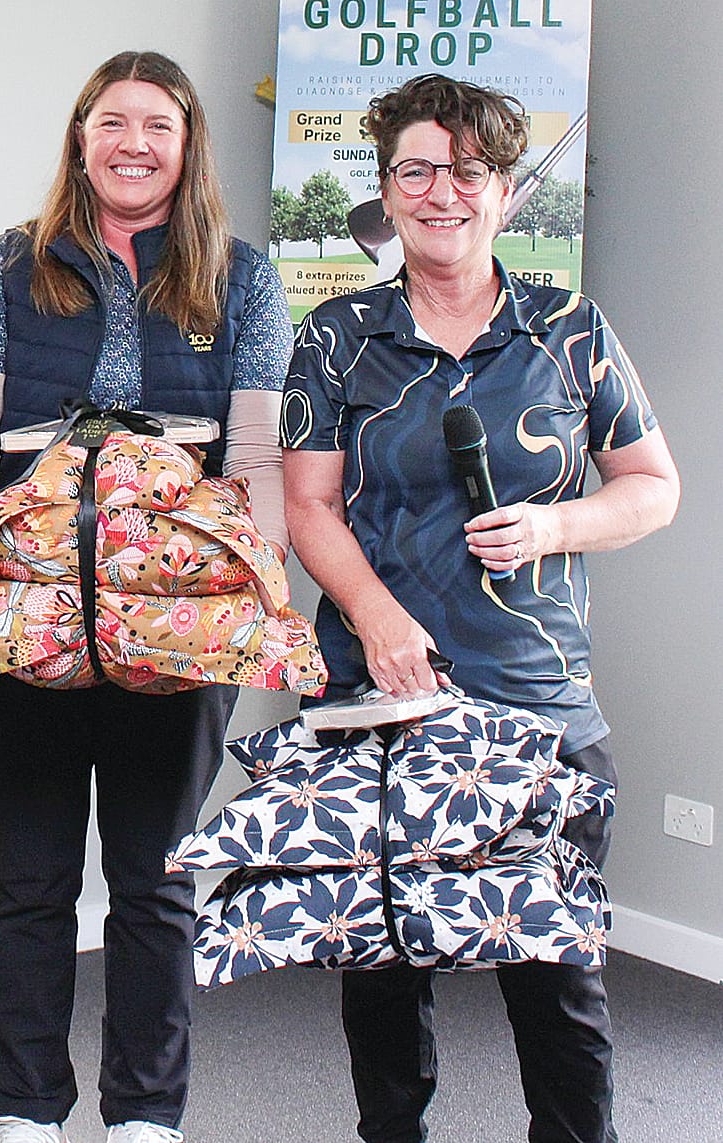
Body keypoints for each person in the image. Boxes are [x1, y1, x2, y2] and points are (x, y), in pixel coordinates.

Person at [282, 74, 680, 1143]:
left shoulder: (571, 329)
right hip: (379, 699)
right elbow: (309, 506)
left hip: (537, 702)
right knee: (380, 968)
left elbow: (653, 487)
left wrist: (554, 526)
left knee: (556, 976)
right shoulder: (336, 337)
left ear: (505, 191)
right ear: (385, 191)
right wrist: (375, 617)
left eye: (466, 171)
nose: (440, 192)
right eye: (414, 170)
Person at [0, 51, 293, 1143]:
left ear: (188, 145)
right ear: (80, 139)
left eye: (158, 126)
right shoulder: (9, 265)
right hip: (32, 613)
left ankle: (145, 1116)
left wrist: (262, 576)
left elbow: (258, 457)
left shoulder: (244, 277)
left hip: (181, 624)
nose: (135, 144)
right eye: (113, 123)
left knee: (156, 881)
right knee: (30, 882)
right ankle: (27, 1112)